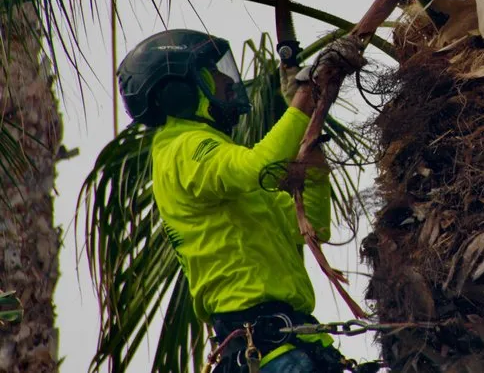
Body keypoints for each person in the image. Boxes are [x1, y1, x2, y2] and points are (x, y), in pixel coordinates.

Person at [116, 29, 365, 373]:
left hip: (293, 343)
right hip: (267, 344)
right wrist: (307, 94)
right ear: (179, 91)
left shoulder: (224, 173)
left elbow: (312, 228)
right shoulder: (183, 148)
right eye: (211, 72)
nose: (227, 81)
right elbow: (258, 167)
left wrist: (315, 168)